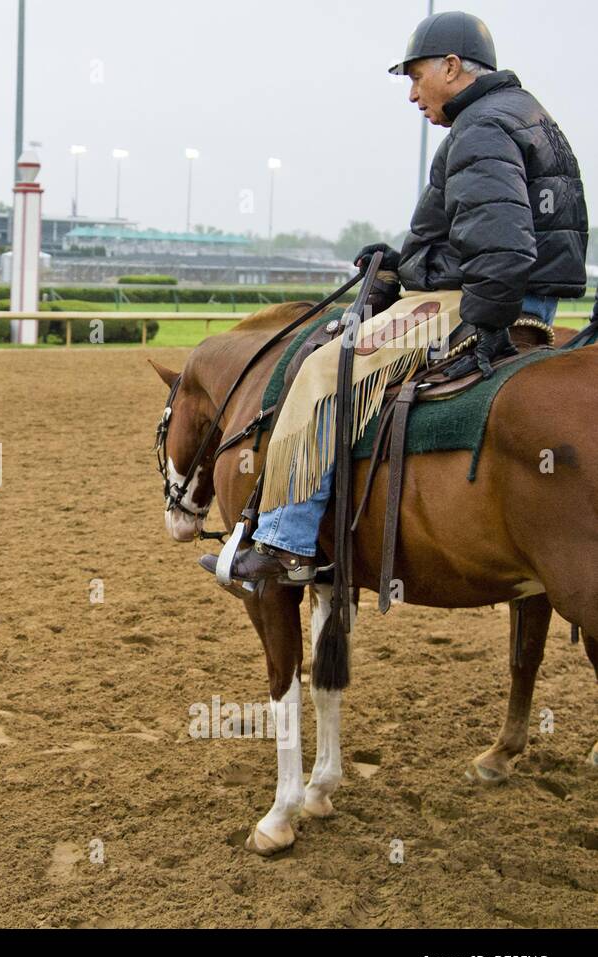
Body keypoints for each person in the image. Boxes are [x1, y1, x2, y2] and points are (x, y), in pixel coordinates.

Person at [203, 10, 588, 590]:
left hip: (477, 300)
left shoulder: (480, 127)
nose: (412, 94)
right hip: (517, 293)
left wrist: (486, 325)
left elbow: (503, 250)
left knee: (326, 371)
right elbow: (481, 237)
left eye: (416, 77)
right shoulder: (525, 113)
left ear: (453, 68)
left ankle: (286, 542)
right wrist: (402, 263)